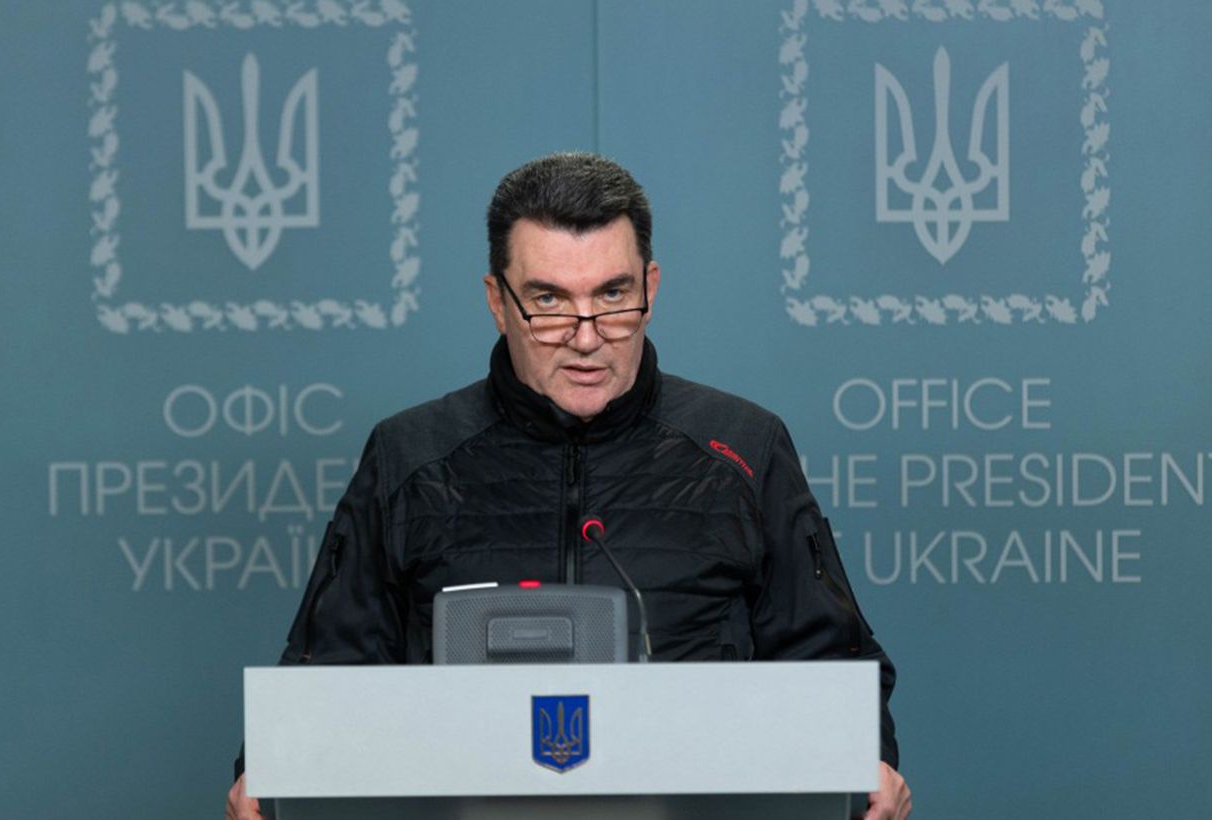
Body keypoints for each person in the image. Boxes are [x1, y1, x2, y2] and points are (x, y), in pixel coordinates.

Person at [227, 153, 911, 819]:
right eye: (548, 300)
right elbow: (328, 674)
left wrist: (870, 761)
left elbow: (833, 663)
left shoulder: (743, 448)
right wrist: (268, 773)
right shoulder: (410, 456)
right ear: (498, 302)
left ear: (650, 289)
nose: (586, 338)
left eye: (612, 296)